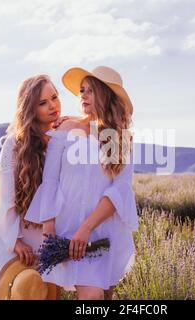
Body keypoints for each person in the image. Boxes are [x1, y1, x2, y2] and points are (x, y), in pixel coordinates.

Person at [25, 66, 139, 300]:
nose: (82, 96)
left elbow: (119, 191)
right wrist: (49, 228)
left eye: (90, 90)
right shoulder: (66, 128)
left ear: (106, 95)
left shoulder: (122, 138)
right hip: (68, 233)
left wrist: (86, 228)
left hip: (102, 233)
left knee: (103, 295)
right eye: (81, 90)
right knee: (93, 296)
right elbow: (50, 180)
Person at [0, 74, 68, 299]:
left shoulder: (66, 137)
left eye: (55, 97)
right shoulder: (14, 144)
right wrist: (15, 241)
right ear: (30, 109)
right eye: (42, 103)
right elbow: (6, 200)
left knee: (45, 292)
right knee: (18, 291)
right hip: (14, 229)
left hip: (47, 232)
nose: (52, 106)